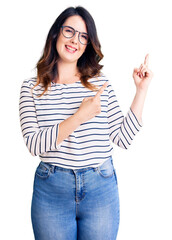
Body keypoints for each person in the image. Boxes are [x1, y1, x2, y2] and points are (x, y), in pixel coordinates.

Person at [19, 6, 153, 240]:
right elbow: (34, 145)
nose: (75, 41)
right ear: (55, 34)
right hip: (51, 190)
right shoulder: (31, 88)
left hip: (100, 187)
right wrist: (80, 116)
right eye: (69, 31)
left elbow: (123, 138)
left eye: (83, 36)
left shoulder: (99, 84)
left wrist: (141, 91)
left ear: (88, 44)